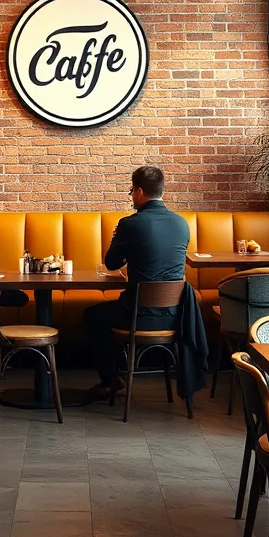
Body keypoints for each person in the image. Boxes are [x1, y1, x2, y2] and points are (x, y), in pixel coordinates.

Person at [82, 165, 190, 398]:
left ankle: (112, 379)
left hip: (138, 316)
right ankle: (120, 370)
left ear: (139, 192)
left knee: (92, 316)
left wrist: (116, 239)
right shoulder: (182, 224)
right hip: (175, 316)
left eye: (131, 191)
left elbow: (111, 263)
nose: (131, 196)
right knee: (104, 314)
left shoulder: (130, 224)